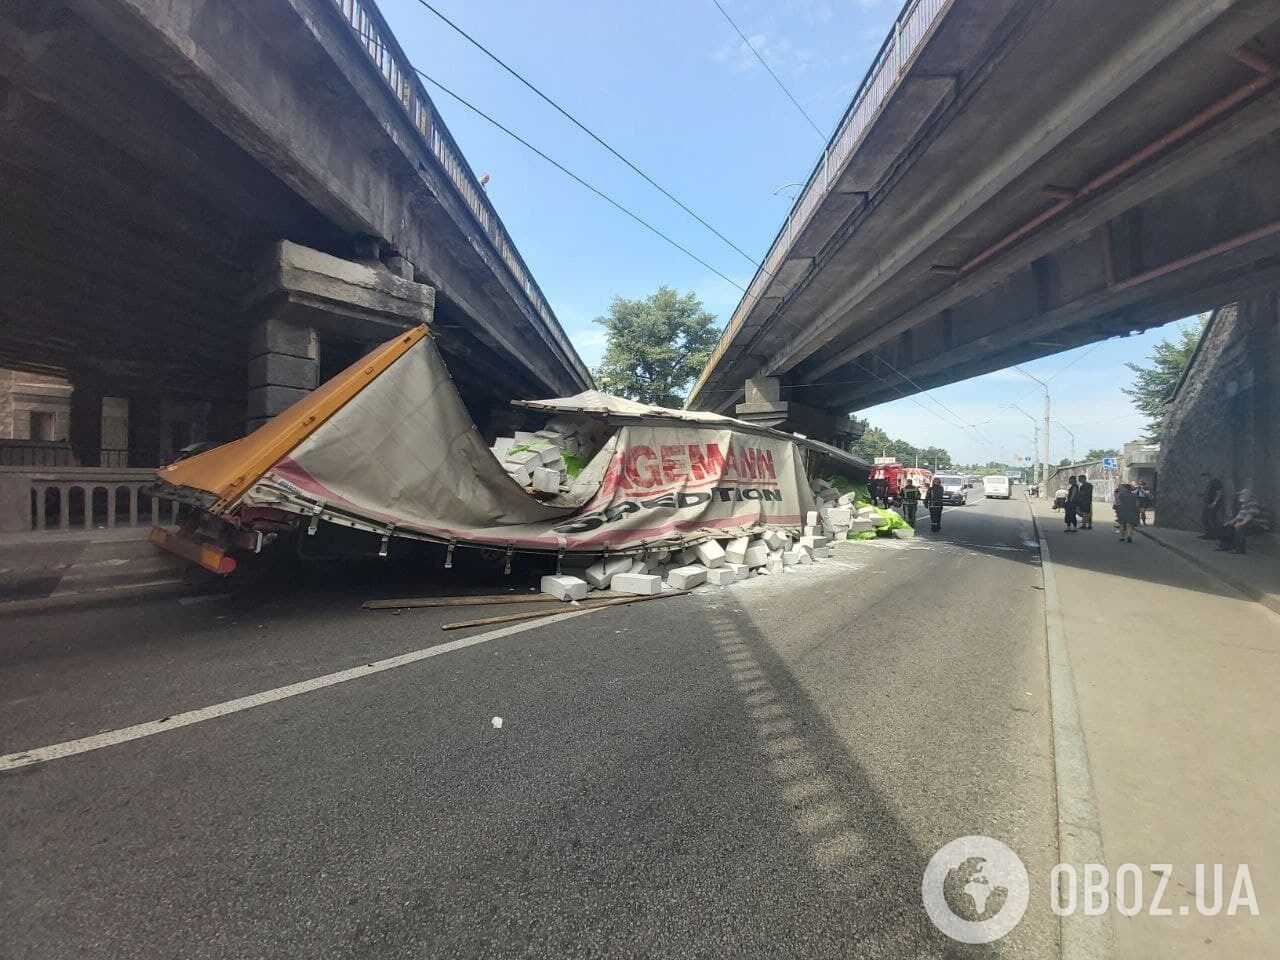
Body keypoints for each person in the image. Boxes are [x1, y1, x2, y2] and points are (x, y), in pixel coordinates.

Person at [1217, 488, 1266, 554]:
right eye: (1240, 495)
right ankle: (1225, 546)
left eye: (1242, 494)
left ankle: (1240, 550)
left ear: (1248, 495)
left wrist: (1242, 523)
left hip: (1259, 525)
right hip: (1250, 523)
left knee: (1240, 528)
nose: (1240, 496)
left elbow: (1250, 516)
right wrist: (1230, 523)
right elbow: (1239, 517)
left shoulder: (1253, 503)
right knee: (1228, 526)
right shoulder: (1244, 505)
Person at [1200, 472, 1224, 539]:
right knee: (1204, 518)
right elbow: (1209, 492)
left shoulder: (1216, 482)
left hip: (1213, 504)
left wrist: (1214, 502)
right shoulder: (1209, 483)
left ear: (1208, 476)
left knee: (1213, 519)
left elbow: (1219, 493)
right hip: (1207, 503)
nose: (1204, 480)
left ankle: (1215, 535)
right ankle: (1208, 534)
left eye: (1204, 478)